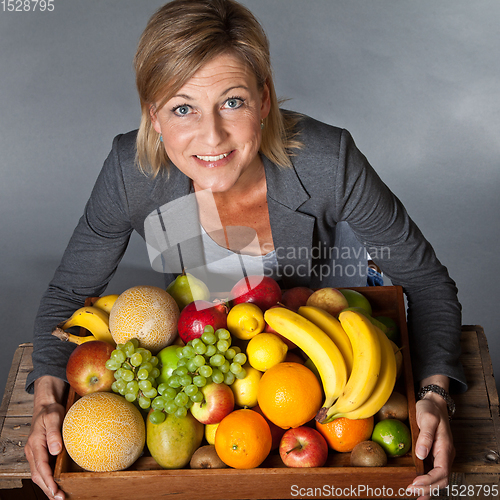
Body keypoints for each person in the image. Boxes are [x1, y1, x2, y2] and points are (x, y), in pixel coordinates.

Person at [24, 1, 467, 499]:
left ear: (263, 99)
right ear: (154, 115)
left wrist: (432, 393)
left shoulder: (327, 160)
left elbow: (426, 282)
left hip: (328, 342)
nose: (211, 135)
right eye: (182, 107)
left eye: (231, 102)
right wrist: (46, 399)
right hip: (219, 356)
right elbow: (69, 292)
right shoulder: (130, 174)